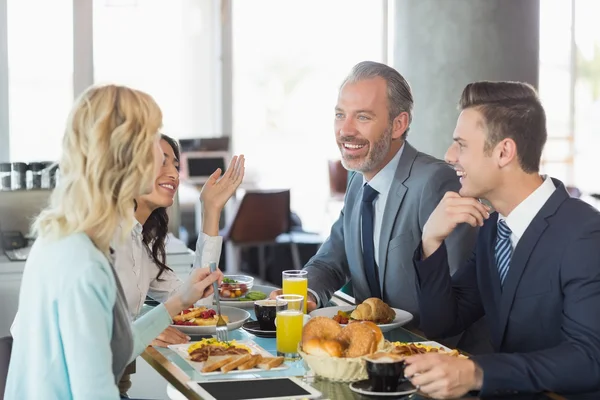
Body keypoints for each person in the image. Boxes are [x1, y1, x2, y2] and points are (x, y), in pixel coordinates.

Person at [5, 84, 223, 400]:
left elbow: (108, 347)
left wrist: (178, 302)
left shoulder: (64, 237)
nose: (164, 157)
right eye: (152, 140)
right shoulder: (84, 264)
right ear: (126, 155)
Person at [404, 81, 600, 399]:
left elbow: (590, 359)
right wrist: (431, 240)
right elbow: (444, 323)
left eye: (461, 145)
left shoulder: (585, 233)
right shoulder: (494, 228)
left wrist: (478, 372)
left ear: (504, 152)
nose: (449, 155)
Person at [270, 61, 477, 333]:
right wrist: (307, 294)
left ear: (398, 124)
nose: (346, 130)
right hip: (370, 349)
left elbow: (456, 296)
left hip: (427, 352)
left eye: (363, 117)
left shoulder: (435, 182)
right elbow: (331, 260)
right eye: (340, 115)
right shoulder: (358, 180)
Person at [112, 134, 244, 395]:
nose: (173, 172)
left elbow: (199, 304)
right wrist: (144, 327)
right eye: (161, 162)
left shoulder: (140, 243)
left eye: (174, 164)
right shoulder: (103, 238)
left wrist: (211, 210)